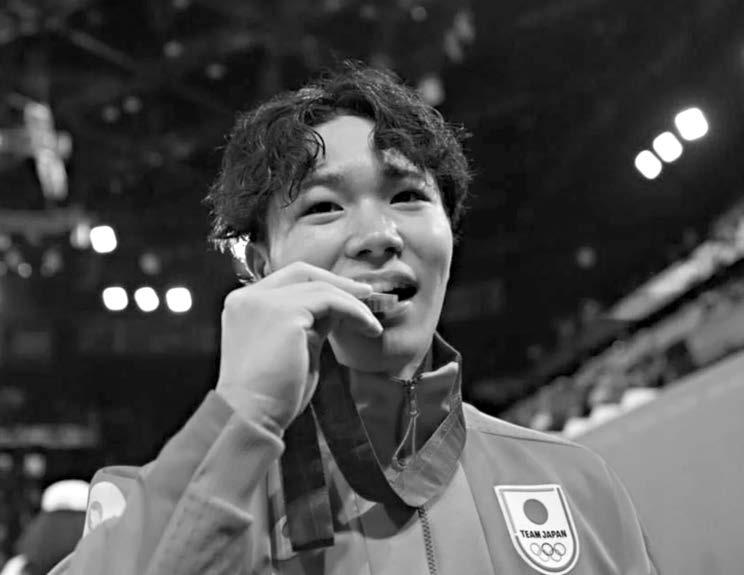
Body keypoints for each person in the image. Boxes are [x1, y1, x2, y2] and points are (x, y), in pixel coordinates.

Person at [51, 64, 657, 574]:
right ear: (261, 266)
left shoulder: (578, 485)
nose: (377, 234)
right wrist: (240, 416)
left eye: (407, 196)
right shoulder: (154, 506)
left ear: (450, 232)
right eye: (323, 206)